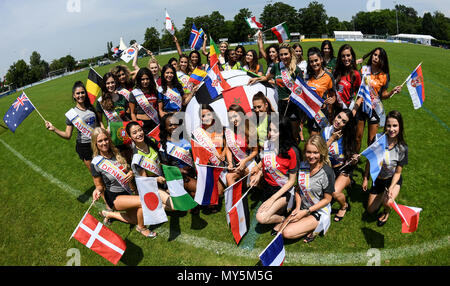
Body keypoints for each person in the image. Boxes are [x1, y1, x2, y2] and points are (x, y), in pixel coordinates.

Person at [90, 127, 158, 238]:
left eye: (106, 139)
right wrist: (96, 191)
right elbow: (99, 186)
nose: (104, 143)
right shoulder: (96, 163)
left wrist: (131, 173)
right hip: (114, 197)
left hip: (127, 192)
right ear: (95, 143)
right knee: (143, 201)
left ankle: (109, 214)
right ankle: (141, 228)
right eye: (100, 141)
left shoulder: (117, 153)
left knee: (136, 218)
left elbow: (130, 168)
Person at [277, 135, 335, 243]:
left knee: (286, 233)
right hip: (303, 207)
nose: (311, 156)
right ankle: (306, 223)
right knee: (280, 231)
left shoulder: (327, 172)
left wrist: (306, 212)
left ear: (321, 152)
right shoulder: (303, 165)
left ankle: (316, 225)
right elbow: (299, 189)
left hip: (318, 210)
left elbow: (327, 199)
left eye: (315, 152)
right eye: (309, 152)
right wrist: (298, 208)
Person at [249, 117, 301, 233]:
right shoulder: (268, 144)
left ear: (283, 132)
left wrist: (272, 199)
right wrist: (259, 175)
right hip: (268, 186)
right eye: (269, 130)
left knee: (261, 218)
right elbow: (266, 163)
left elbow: (292, 181)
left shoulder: (292, 152)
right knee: (252, 177)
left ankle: (282, 219)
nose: (270, 134)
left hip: (284, 190)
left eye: (275, 131)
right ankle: (280, 211)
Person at [248, 43, 303, 143]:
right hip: (281, 104)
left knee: (294, 133)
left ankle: (295, 152)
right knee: (283, 130)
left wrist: (295, 95)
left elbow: (301, 89)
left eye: (285, 54)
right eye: (281, 55)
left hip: (293, 104)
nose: (283, 57)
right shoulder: (277, 67)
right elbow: (266, 77)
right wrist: (256, 78)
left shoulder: (296, 70)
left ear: (291, 54)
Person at [362, 110, 408, 227]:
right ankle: (382, 194)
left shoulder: (402, 148)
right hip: (378, 179)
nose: (391, 129)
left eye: (395, 126)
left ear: (400, 126)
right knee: (370, 210)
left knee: (388, 202)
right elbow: (370, 160)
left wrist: (391, 188)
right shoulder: (378, 139)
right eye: (389, 125)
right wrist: (366, 178)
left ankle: (386, 211)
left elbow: (398, 172)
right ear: (385, 126)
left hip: (392, 179)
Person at [45, 81, 102, 172]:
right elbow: (68, 135)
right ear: (74, 95)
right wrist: (54, 129)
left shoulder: (91, 108)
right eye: (78, 93)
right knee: (96, 174)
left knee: (105, 171)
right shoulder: (72, 114)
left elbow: (99, 125)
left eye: (82, 92)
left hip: (98, 143)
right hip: (85, 147)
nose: (80, 95)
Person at [355, 47, 402, 152]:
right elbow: (354, 82)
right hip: (361, 107)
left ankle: (370, 165)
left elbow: (383, 95)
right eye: (375, 55)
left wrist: (391, 92)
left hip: (374, 109)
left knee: (371, 141)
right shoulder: (364, 69)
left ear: (383, 60)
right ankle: (354, 160)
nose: (376, 57)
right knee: (357, 138)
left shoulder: (384, 76)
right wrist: (355, 64)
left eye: (379, 56)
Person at [321, 109, 358, 222]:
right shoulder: (326, 131)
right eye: (338, 117)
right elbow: (319, 153)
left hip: (343, 169)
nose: (338, 121)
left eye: (343, 121)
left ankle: (344, 206)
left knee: (335, 192)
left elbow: (352, 158)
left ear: (347, 125)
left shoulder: (348, 137)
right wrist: (331, 139)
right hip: (327, 169)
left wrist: (354, 160)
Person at [159, 113, 197, 200]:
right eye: (170, 125)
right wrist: (181, 170)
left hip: (192, 173)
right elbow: (165, 168)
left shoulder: (185, 138)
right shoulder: (164, 146)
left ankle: (190, 196)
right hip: (179, 176)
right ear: (165, 127)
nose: (174, 126)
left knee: (198, 192)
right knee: (199, 190)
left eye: (175, 124)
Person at [305, 47, 337, 136]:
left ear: (321, 59)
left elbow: (333, 94)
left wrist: (332, 100)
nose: (314, 63)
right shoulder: (308, 76)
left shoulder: (328, 76)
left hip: (322, 113)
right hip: (310, 113)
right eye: (311, 61)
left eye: (316, 60)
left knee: (314, 137)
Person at [225, 105, 258, 187]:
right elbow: (228, 149)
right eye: (231, 118)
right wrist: (230, 163)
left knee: (254, 184)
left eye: (235, 116)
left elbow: (255, 151)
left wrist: (245, 161)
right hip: (239, 166)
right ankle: (237, 199)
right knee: (229, 176)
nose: (233, 120)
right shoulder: (230, 131)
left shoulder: (250, 129)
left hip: (250, 164)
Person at [128, 67, 160, 134]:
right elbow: (132, 113)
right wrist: (137, 127)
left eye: (147, 79)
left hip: (155, 122)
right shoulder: (134, 93)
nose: (145, 81)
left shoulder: (155, 91)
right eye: (142, 79)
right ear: (139, 80)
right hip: (142, 124)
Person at [333, 44, 362, 115]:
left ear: (352, 56)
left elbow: (360, 95)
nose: (346, 58)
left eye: (348, 55)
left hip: (348, 110)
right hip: (336, 109)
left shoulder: (356, 74)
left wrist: (354, 111)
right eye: (343, 56)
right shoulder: (336, 72)